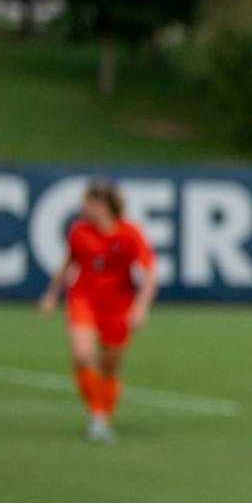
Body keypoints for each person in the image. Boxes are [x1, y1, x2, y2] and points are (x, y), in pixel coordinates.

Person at [38, 181, 158, 442]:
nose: (84, 208)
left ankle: (103, 415)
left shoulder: (129, 234)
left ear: (104, 205)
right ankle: (97, 416)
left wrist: (141, 307)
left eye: (90, 203)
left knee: (110, 366)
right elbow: (68, 263)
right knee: (83, 355)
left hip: (118, 304)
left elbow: (149, 274)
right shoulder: (79, 231)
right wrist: (51, 294)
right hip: (84, 299)